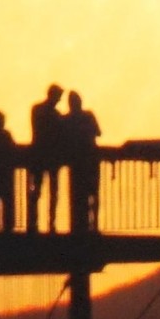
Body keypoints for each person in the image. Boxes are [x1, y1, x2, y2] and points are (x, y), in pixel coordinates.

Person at [27, 84, 64, 233]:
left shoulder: (36, 109)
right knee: (52, 190)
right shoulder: (56, 115)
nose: (59, 100)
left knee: (37, 189)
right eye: (58, 97)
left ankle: (33, 221)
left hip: (38, 154)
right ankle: (51, 222)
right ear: (53, 96)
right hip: (52, 156)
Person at [63, 90, 102, 232]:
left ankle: (79, 225)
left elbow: (62, 139)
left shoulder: (66, 119)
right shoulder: (88, 116)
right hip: (91, 158)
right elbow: (98, 132)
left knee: (78, 194)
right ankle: (94, 223)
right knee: (93, 192)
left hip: (76, 162)